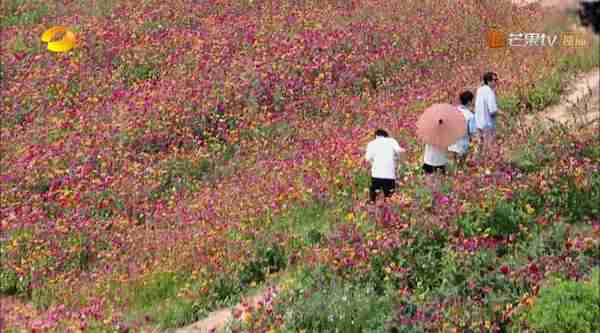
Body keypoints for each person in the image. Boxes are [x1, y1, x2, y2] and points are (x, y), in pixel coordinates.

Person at [365, 129, 405, 203]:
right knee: (389, 198)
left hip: (376, 175)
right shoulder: (392, 141)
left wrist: (373, 161)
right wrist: (397, 159)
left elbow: (367, 158)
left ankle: (373, 207)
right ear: (386, 136)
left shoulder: (372, 143)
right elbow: (399, 151)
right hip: (389, 175)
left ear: (376, 136)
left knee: (373, 199)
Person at [474, 72, 500, 160]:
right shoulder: (490, 92)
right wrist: (503, 114)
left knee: (479, 145)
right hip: (487, 123)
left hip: (478, 123)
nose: (497, 82)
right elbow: (493, 110)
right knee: (489, 146)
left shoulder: (479, 90)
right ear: (489, 81)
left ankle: (476, 162)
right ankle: (490, 163)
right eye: (495, 80)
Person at [448, 90, 477, 167]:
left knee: (453, 165)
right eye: (472, 100)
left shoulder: (453, 110)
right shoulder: (470, 116)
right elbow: (472, 132)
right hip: (463, 144)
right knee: (461, 166)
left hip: (451, 142)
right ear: (469, 102)